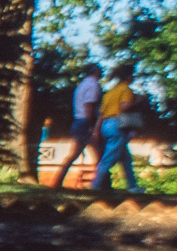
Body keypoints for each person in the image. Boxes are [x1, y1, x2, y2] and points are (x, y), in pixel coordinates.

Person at [49, 63, 103, 187]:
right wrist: (92, 125)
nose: (101, 73)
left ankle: (57, 181)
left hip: (78, 121)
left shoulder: (82, 85)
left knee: (75, 154)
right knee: (99, 153)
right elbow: (89, 106)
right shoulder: (93, 85)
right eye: (99, 71)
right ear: (94, 72)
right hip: (86, 122)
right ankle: (102, 184)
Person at [90, 62, 140, 191]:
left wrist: (96, 131)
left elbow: (101, 114)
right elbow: (125, 106)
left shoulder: (109, 92)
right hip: (118, 125)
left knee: (125, 158)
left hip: (106, 125)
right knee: (109, 157)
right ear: (128, 77)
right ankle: (94, 186)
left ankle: (132, 186)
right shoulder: (126, 89)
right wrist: (137, 100)